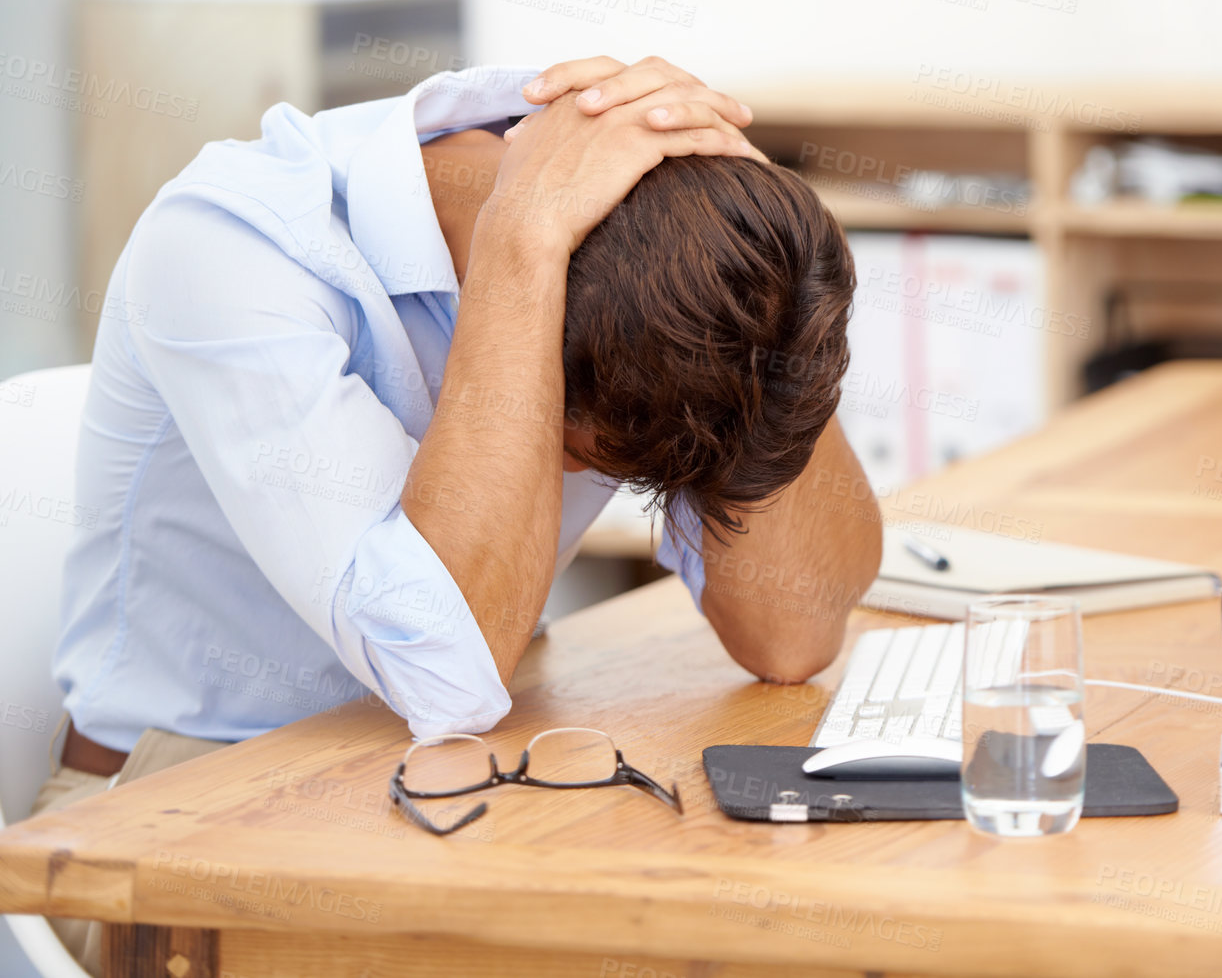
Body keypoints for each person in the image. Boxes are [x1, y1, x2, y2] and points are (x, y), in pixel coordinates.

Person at [32, 56, 882, 973]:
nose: (563, 480)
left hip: (458, 775)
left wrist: (764, 310)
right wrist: (521, 250)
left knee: (805, 921)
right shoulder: (230, 241)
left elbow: (790, 634)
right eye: (581, 456)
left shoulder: (646, 256)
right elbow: (442, 679)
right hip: (170, 828)